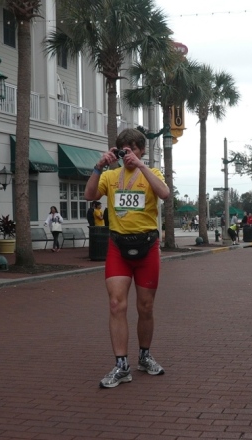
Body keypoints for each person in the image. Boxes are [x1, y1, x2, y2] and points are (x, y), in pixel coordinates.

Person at [85, 128, 170, 388]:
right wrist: (99, 166)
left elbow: (164, 194)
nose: (128, 154)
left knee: (145, 307)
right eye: (124, 150)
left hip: (147, 246)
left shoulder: (152, 173)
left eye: (132, 149)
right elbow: (89, 195)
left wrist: (141, 166)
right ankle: (121, 365)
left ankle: (145, 356)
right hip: (118, 247)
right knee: (116, 305)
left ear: (141, 150)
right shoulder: (110, 176)